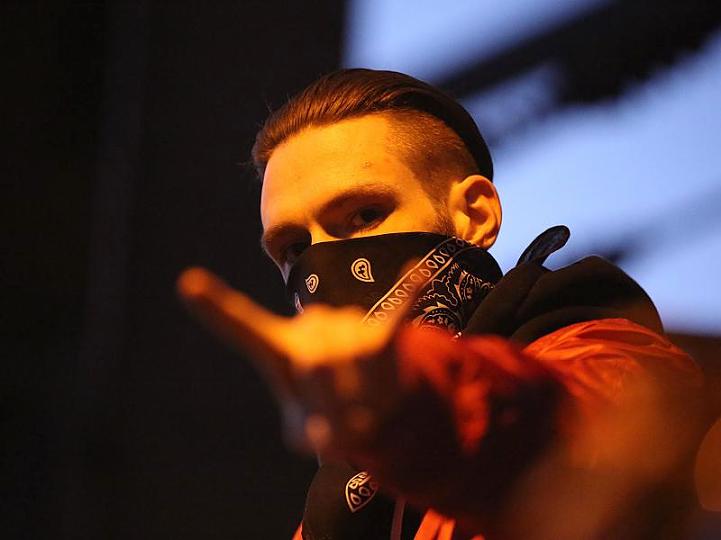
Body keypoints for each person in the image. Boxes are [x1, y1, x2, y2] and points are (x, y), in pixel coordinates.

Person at [177, 69, 705, 539]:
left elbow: (579, 447)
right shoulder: (332, 516)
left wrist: (410, 395)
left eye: (365, 216)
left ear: (475, 215)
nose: (322, 271)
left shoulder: (615, 364)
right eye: (295, 249)